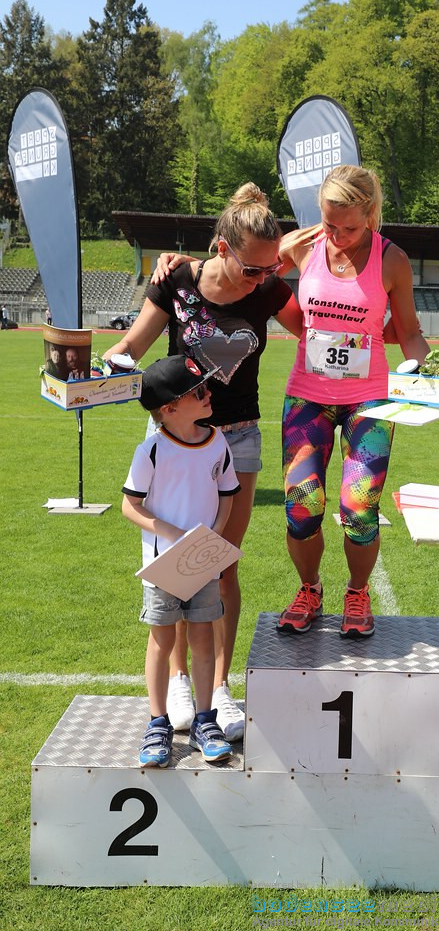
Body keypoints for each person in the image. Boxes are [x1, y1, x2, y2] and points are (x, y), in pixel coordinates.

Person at [105, 182, 302, 741]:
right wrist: (88, 372)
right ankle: (179, 683)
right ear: (220, 249)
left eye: (270, 270)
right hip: (171, 440)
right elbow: (131, 352)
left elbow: (321, 333)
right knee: (174, 563)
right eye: (252, 269)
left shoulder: (269, 291)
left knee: (219, 565)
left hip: (237, 440)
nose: (261, 280)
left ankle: (219, 688)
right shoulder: (177, 280)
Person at [276, 165, 429, 638]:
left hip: (370, 401)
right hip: (308, 396)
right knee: (302, 505)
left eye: (349, 227)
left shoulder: (393, 260)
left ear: (371, 214)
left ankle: (358, 593)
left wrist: (436, 373)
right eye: (329, 225)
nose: (338, 236)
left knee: (359, 507)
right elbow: (250, 280)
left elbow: (410, 334)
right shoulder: (301, 247)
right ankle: (310, 589)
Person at [122, 354, 240, 767]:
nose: (209, 394)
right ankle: (158, 724)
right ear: (170, 409)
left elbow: (228, 495)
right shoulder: (151, 450)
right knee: (162, 639)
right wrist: (168, 533)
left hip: (202, 561)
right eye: (199, 391)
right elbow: (129, 506)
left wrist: (215, 538)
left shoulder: (217, 442)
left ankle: (205, 722)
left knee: (204, 636)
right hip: (164, 566)